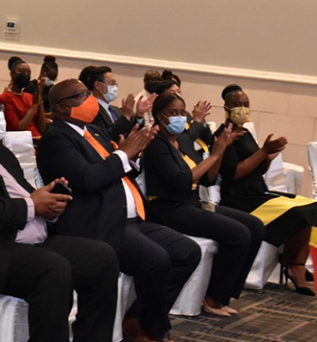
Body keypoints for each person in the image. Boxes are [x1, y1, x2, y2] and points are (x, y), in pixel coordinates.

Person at [0, 82, 119, 342]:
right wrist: (33, 205)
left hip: (21, 241)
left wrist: (49, 204)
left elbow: (26, 197)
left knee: (101, 256)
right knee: (51, 268)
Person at [37, 79, 201, 342]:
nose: (90, 99)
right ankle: (151, 327)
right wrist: (123, 155)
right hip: (100, 222)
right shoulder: (56, 139)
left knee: (188, 252)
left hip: (132, 217)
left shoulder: (94, 131)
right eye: (81, 96)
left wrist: (131, 158)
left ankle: (137, 317)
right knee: (157, 259)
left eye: (88, 93)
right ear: (61, 108)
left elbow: (116, 168)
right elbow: (87, 179)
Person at [142, 92, 265, 317]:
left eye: (182, 112)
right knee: (238, 233)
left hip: (192, 203)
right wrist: (214, 156)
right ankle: (214, 297)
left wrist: (220, 152)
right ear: (159, 116)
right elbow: (181, 181)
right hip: (168, 208)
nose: (180, 117)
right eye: (173, 113)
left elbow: (208, 179)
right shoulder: (156, 144)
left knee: (255, 226)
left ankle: (226, 292)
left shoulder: (183, 140)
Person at [215, 84, 317, 295]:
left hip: (258, 191)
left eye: (246, 104)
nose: (243, 108)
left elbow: (257, 169)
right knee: (299, 214)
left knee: (316, 208)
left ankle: (296, 263)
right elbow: (234, 173)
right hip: (239, 199)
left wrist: (268, 157)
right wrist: (263, 151)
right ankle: (293, 264)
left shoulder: (245, 132)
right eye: (237, 104)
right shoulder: (223, 135)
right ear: (226, 108)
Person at [81, 65, 156, 142]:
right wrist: (126, 116)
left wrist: (139, 115)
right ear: (98, 85)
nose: (115, 87)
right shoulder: (90, 109)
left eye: (115, 83)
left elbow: (132, 133)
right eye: (111, 83)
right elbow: (104, 137)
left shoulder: (115, 110)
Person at [0, 57, 46, 138]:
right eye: (21, 71)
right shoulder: (5, 98)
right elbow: (17, 129)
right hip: (21, 140)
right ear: (12, 74)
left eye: (28, 72)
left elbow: (42, 128)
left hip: (38, 138)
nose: (26, 74)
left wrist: (40, 100)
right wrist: (34, 106)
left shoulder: (29, 97)